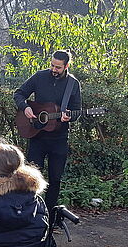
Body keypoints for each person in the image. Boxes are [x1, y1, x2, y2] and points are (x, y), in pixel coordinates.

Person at [13, 49, 81, 209]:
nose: (54, 69)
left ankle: (49, 217)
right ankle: (28, 213)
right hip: (37, 137)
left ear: (66, 66)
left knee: (55, 179)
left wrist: (69, 116)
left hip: (59, 140)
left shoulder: (73, 84)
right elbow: (19, 93)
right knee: (30, 178)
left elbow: (77, 111)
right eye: (52, 65)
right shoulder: (40, 77)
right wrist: (25, 107)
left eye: (58, 67)